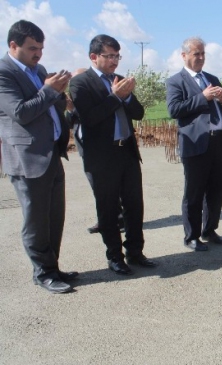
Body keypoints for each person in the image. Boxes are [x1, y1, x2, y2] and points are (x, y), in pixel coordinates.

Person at [70, 34, 157, 275]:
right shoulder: (81, 83)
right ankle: (115, 257)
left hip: (126, 152)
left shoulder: (119, 80)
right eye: (109, 56)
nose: (114, 61)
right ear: (93, 57)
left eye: (117, 56)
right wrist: (115, 97)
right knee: (108, 210)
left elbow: (138, 113)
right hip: (102, 157)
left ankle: (135, 252)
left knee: (134, 206)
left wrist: (127, 95)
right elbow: (89, 118)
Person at [0, 20, 77, 293]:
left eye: (41, 48)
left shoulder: (39, 70)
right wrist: (49, 90)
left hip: (51, 155)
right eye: (33, 48)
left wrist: (60, 91)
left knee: (54, 217)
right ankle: (42, 273)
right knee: (36, 221)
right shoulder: (4, 73)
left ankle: (53, 266)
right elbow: (21, 112)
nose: (38, 54)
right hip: (27, 159)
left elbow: (48, 105)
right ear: (13, 45)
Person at [166, 37, 222, 251]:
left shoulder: (212, 78)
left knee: (216, 190)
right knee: (194, 192)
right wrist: (203, 97)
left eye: (203, 53)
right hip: (195, 143)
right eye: (196, 53)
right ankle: (192, 236)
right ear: (184, 55)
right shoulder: (175, 81)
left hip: (217, 142)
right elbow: (174, 109)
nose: (201, 57)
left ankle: (209, 230)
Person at [66, 68, 125, 235]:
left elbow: (92, 117)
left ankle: (114, 218)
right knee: (96, 185)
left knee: (106, 187)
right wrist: (70, 109)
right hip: (84, 147)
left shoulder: (95, 95)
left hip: (101, 148)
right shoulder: (74, 99)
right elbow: (71, 122)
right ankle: (109, 217)